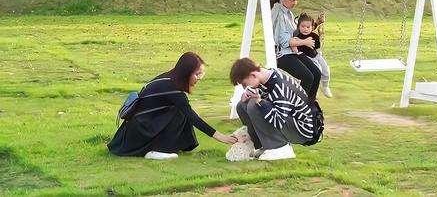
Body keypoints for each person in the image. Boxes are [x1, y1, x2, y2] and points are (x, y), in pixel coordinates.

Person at [108, 52, 237, 159]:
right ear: (186, 73)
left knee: (182, 111)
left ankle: (174, 146)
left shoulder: (170, 79)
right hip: (139, 133)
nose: (199, 78)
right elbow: (192, 117)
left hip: (138, 128)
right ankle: (156, 150)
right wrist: (222, 137)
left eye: (201, 74)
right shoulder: (172, 88)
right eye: (197, 74)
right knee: (180, 113)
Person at [230, 57, 316, 161]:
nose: (245, 87)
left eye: (244, 84)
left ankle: (280, 148)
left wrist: (259, 101)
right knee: (242, 105)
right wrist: (248, 97)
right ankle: (262, 145)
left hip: (303, 128)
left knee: (254, 105)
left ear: (253, 75)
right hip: (289, 120)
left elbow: (279, 120)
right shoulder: (267, 78)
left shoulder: (279, 85)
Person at [270, 0, 323, 101]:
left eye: (296, 0)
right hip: (282, 55)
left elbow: (297, 32)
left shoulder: (288, 13)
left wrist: (316, 24)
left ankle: (310, 105)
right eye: (292, 0)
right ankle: (298, 106)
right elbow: (283, 41)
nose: (294, 3)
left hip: (293, 52)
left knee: (317, 73)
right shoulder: (279, 14)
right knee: (308, 77)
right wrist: (304, 43)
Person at [295, 13, 333, 98]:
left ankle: (325, 86)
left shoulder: (314, 36)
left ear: (312, 27)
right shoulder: (297, 36)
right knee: (317, 71)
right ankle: (315, 89)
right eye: (303, 26)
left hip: (316, 55)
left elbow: (317, 47)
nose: (305, 29)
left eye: (308, 27)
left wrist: (319, 54)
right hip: (306, 57)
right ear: (298, 27)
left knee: (326, 70)